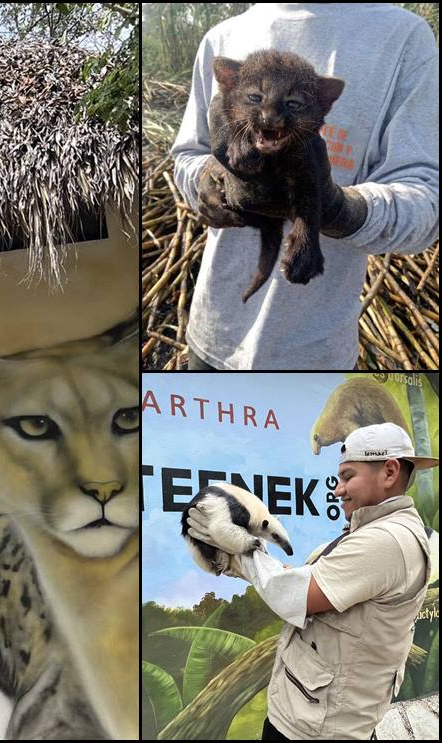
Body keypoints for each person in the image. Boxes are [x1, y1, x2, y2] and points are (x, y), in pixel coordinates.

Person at [170, 4, 439, 369]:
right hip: (213, 335)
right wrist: (208, 180)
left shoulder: (403, 39)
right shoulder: (223, 36)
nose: (270, 116)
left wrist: (336, 210)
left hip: (314, 355)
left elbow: (425, 197)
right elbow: (187, 156)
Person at [186, 422, 437, 740]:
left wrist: (243, 551)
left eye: (348, 476)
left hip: (316, 730)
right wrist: (243, 564)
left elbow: (295, 596)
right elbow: (318, 585)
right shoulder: (377, 530)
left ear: (389, 472)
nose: (338, 489)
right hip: (314, 715)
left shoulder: (387, 540)